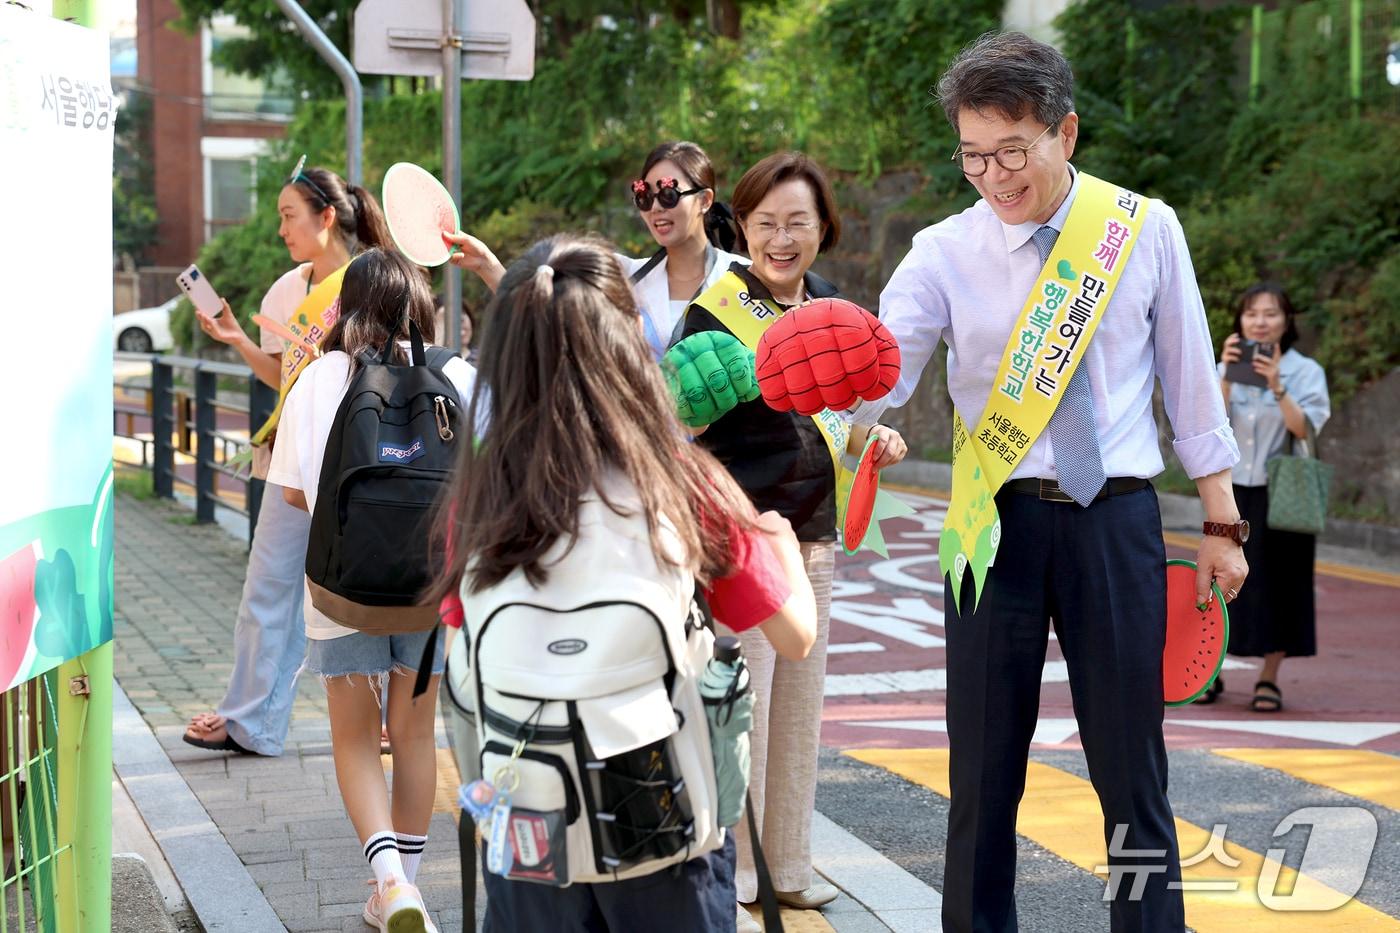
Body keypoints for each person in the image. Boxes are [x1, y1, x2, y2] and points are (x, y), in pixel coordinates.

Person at [849, 32, 1248, 933]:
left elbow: (1189, 380)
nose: (994, 176)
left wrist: (1222, 520)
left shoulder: (1142, 229)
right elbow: (883, 371)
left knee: (1131, 770)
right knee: (983, 772)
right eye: (973, 156)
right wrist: (854, 423)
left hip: (1117, 521)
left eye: (1012, 151)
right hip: (991, 527)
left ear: (1064, 132)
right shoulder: (942, 251)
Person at [434, 234, 818, 932]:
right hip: (660, 823)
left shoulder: (483, 493)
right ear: (629, 345)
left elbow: (469, 642)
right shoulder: (681, 481)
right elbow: (795, 638)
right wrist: (781, 546)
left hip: (528, 826)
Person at [674, 151, 907, 930]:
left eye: (797, 223)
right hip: (742, 537)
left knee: (799, 713)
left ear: (822, 229)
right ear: (740, 226)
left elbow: (840, 425)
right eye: (766, 222)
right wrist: (724, 384)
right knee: (748, 710)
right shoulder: (715, 310)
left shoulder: (835, 307)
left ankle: (792, 865)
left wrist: (876, 444)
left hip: (814, 535)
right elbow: (679, 421)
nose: (781, 238)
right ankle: (741, 872)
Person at [267, 248, 477, 933]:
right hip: (429, 584)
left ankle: (387, 880)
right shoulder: (455, 373)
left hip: (341, 586)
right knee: (414, 734)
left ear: (343, 307)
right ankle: (403, 888)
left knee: (355, 737)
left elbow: (297, 494)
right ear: (420, 305)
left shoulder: (319, 378)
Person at [183, 161, 393, 755]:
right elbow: (282, 377)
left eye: (289, 216)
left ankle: (383, 717)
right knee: (267, 587)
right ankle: (250, 720)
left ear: (326, 217)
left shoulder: (373, 282)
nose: (281, 230)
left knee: (363, 591)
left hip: (355, 461)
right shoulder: (289, 289)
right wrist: (238, 341)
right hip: (290, 455)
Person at [441, 140, 747, 358]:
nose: (654, 208)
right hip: (635, 443)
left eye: (668, 194)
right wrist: (486, 266)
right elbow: (543, 309)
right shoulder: (621, 274)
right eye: (643, 196)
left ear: (705, 200)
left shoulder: (743, 279)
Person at [1208, 283, 1329, 713]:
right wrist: (1223, 379)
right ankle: (1211, 670)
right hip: (1231, 490)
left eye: (1271, 313)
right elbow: (1209, 426)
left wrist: (1277, 385)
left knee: (1283, 583)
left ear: (1287, 321)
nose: (1260, 321)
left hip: (1282, 494)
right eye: (1252, 313)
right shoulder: (1224, 366)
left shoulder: (1305, 371)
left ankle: (1269, 677)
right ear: (1241, 321)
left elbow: (1305, 431)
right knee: (1219, 580)